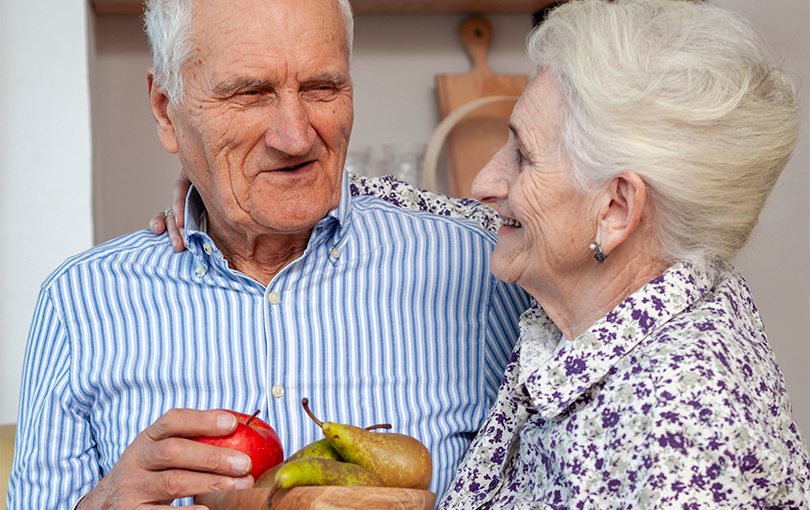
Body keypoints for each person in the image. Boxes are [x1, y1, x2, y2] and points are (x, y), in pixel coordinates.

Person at [6, 0, 529, 508]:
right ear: (166, 109)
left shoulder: (484, 272)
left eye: (322, 87)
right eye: (250, 93)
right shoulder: (78, 302)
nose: (296, 137)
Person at [433, 0, 810, 508]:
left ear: (616, 209)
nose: (483, 183)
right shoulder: (631, 299)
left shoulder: (680, 426)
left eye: (523, 156)